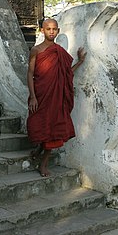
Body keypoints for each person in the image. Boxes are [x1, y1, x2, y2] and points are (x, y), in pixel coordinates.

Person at [27, 18, 86, 177]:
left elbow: (67, 74)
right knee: (39, 125)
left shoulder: (59, 52)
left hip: (56, 98)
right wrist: (33, 97)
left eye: (54, 29)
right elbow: (30, 73)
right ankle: (38, 150)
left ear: (58, 31)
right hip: (41, 94)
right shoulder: (36, 50)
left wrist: (80, 62)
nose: (51, 32)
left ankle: (43, 164)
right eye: (48, 29)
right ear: (42, 31)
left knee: (53, 130)